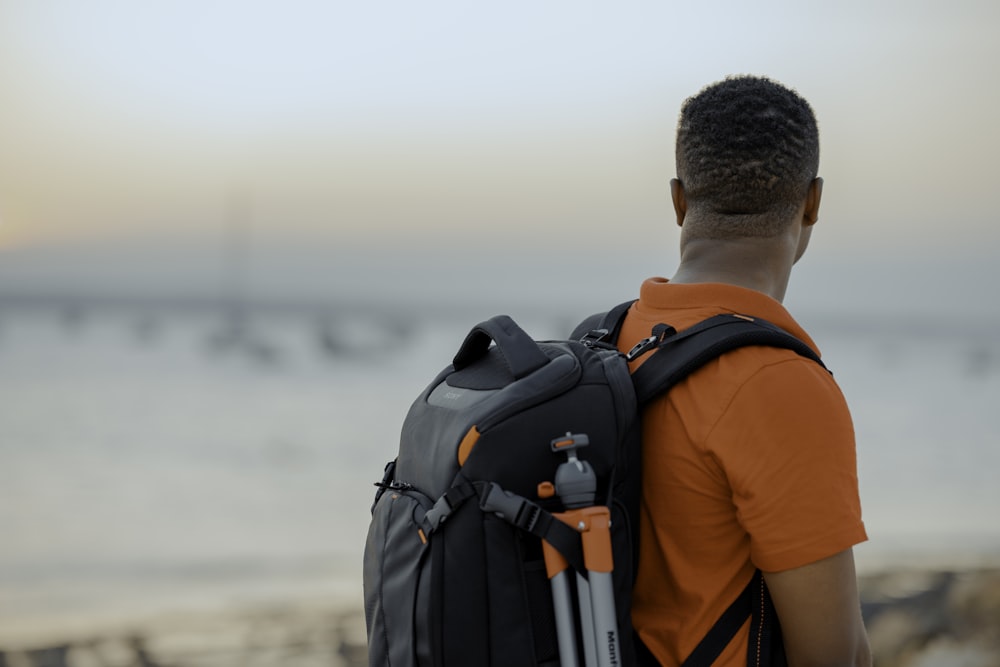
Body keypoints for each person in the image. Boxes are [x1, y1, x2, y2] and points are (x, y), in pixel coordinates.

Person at [618, 76, 871, 666]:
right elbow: (833, 657)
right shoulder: (776, 384)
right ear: (812, 202)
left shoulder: (607, 340)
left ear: (679, 200)